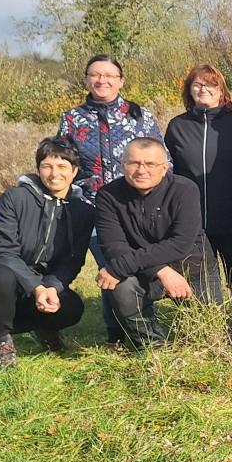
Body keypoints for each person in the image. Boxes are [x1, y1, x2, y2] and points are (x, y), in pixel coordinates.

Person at [57, 53, 166, 343]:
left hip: (134, 205)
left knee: (132, 261)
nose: (101, 80)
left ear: (120, 81)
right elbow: (61, 163)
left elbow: (161, 159)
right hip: (90, 206)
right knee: (111, 262)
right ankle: (119, 331)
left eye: (108, 75)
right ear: (87, 79)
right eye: (95, 74)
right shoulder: (71, 119)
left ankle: (136, 321)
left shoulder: (139, 116)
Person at [0, 137, 94, 367]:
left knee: (73, 308)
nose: (54, 173)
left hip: (44, 282)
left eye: (62, 166)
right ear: (38, 169)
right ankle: (1, 341)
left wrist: (52, 288)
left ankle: (43, 327)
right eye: (47, 166)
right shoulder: (14, 198)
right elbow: (3, 252)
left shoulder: (83, 211)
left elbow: (72, 261)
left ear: (74, 171)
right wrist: (36, 287)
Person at [94, 138, 215, 349]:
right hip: (139, 270)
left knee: (207, 335)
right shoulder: (108, 195)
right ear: (122, 165)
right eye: (134, 163)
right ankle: (152, 345)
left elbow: (180, 243)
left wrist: (160, 268)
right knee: (122, 284)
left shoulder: (185, 189)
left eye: (150, 164)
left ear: (165, 167)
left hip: (191, 265)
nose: (142, 170)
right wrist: (161, 270)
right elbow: (114, 246)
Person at [165, 63, 232, 321]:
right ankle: (206, 322)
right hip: (193, 219)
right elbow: (168, 172)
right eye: (197, 84)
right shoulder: (177, 127)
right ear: (189, 90)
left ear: (222, 90)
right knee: (199, 275)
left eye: (210, 85)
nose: (203, 89)